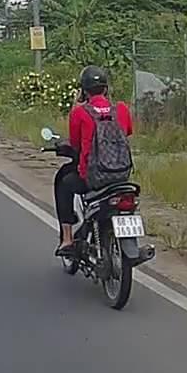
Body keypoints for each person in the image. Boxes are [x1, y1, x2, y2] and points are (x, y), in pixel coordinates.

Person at [54, 65, 134, 256]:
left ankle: (67, 239)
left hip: (94, 178)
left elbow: (75, 144)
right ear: (106, 89)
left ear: (84, 90)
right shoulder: (121, 109)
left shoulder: (79, 112)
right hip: (122, 175)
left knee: (63, 182)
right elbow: (128, 131)